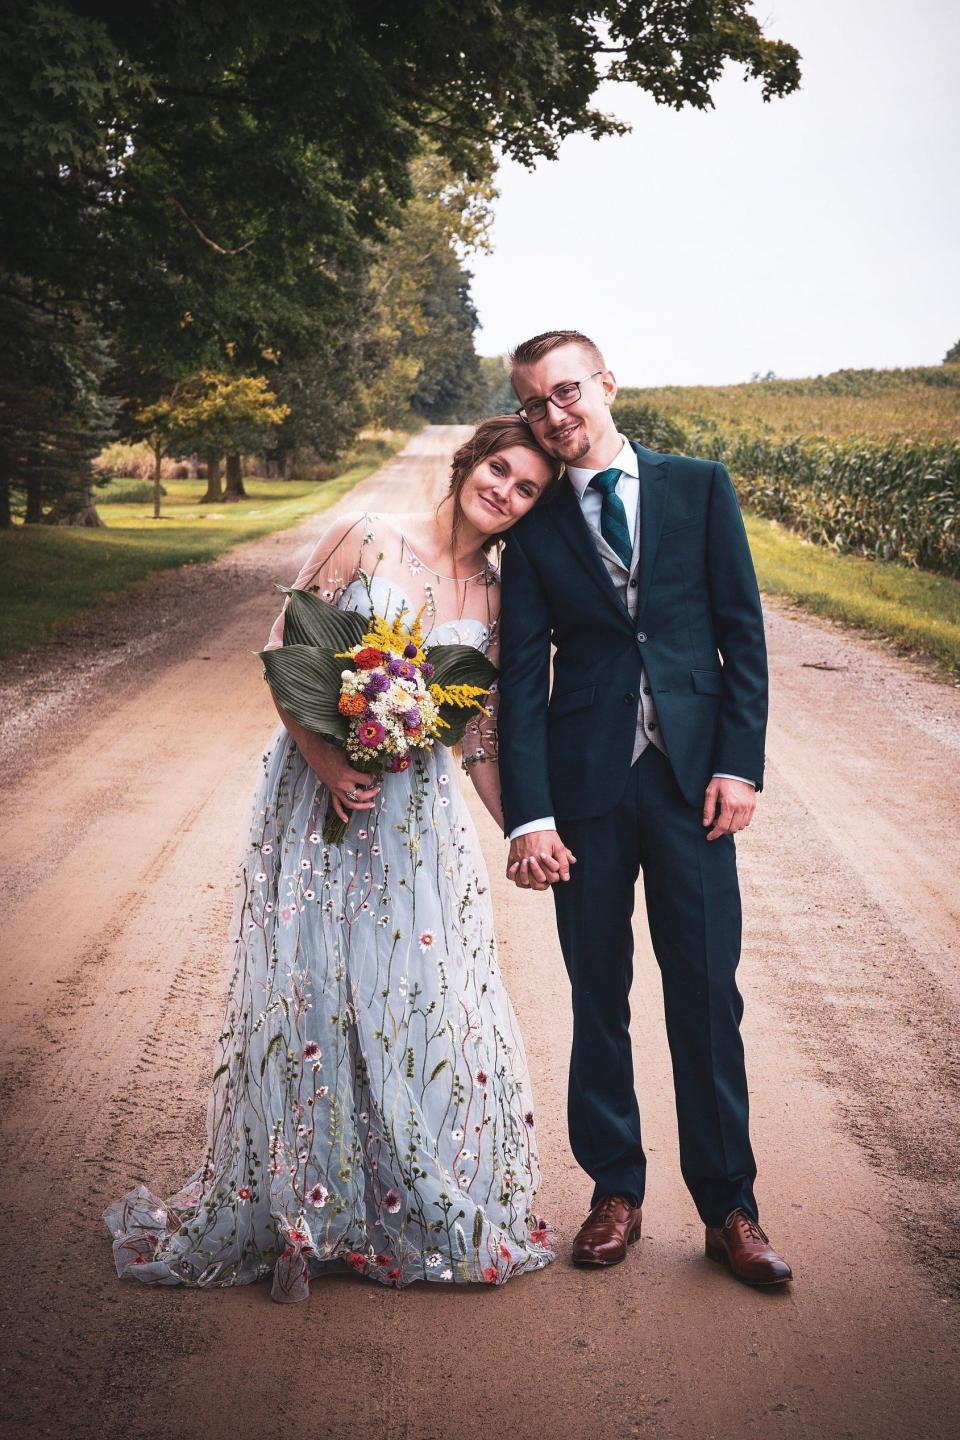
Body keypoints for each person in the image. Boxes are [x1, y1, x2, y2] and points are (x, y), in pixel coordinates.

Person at [103, 417, 561, 1302]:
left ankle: (397, 1200)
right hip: (315, 799)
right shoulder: (367, 537)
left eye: (527, 488)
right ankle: (301, 1205)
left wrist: (521, 830)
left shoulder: (495, 598)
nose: (504, 490)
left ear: (532, 508)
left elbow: (476, 740)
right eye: (499, 468)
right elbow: (284, 650)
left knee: (412, 995)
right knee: (311, 983)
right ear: (471, 462)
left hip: (414, 821)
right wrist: (327, 762)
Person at [497, 330, 792, 1286]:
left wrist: (740, 766)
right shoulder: (535, 526)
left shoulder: (699, 487)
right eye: (537, 403)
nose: (556, 415)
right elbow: (520, 679)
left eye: (567, 392)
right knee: (598, 994)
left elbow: (742, 637)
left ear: (607, 384)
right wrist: (529, 814)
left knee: (707, 994)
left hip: (692, 783)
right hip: (586, 792)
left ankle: (729, 1206)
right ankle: (614, 1190)